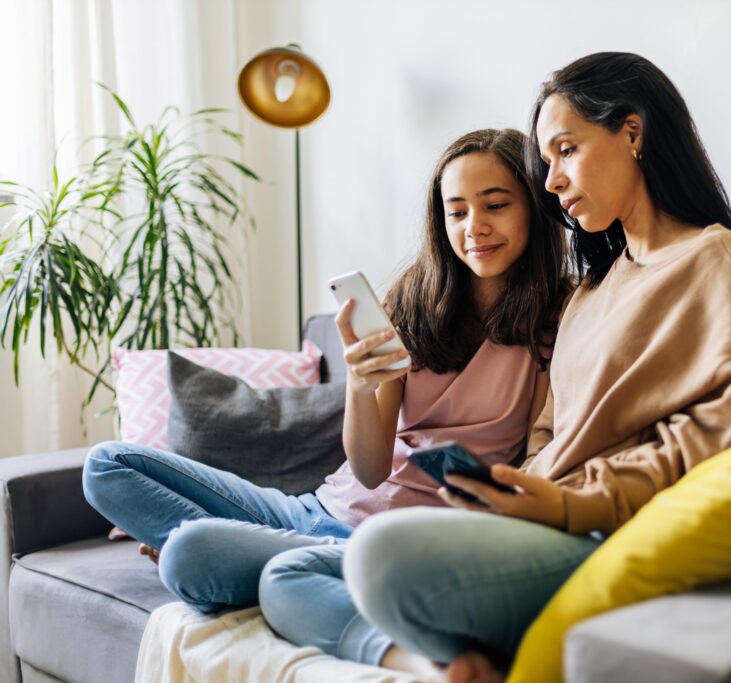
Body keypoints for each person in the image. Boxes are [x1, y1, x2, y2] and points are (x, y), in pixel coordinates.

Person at [339, 52, 731, 683]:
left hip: (588, 530)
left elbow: (705, 440)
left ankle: (444, 652)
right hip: (534, 515)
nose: (550, 182)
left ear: (632, 132)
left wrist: (565, 505)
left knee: (376, 557)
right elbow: (547, 433)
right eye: (546, 163)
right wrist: (507, 492)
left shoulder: (714, 259)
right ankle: (463, 659)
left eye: (565, 151)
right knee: (294, 572)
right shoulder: (591, 291)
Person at [81, 127, 571, 678]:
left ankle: (263, 561)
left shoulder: (560, 319)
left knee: (187, 554)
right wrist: (362, 385)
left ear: (534, 204)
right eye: (455, 212)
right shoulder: (411, 301)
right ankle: (266, 553)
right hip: (316, 512)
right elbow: (366, 470)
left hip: (401, 542)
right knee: (105, 466)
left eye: (496, 206)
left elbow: (540, 459)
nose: (474, 228)